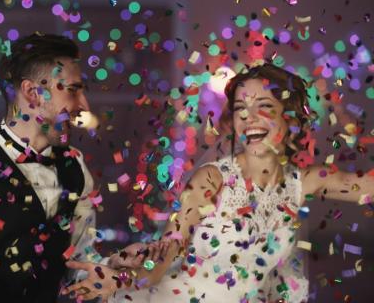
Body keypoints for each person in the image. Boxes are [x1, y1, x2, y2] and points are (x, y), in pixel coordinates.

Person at [63, 63, 374, 303]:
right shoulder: (211, 179)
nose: (248, 118)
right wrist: (123, 280)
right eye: (241, 108)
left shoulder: (301, 181)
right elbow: (166, 254)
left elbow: (365, 186)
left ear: (289, 117)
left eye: (263, 106)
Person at [0, 33, 162, 303]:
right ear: (32, 92)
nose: (83, 105)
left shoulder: (75, 166)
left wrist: (111, 265)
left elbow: (79, 261)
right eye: (73, 90)